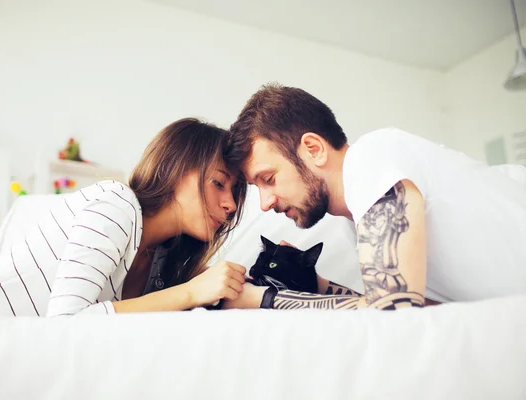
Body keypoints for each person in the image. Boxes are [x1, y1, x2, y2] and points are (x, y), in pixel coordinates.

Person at [222, 83, 526, 311]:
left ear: (313, 149)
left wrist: (269, 299)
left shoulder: (371, 158)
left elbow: (393, 312)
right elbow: (426, 308)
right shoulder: (355, 220)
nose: (265, 202)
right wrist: (313, 284)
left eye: (269, 179)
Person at [0, 118, 249, 317]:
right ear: (175, 170)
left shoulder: (162, 261)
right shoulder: (116, 203)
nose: (230, 205)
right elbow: (67, 322)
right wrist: (191, 292)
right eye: (218, 183)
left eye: (234, 191)